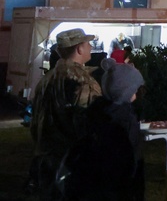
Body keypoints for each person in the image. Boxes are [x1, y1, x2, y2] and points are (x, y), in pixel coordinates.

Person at [30, 28, 103, 201]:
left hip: (45, 155)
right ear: (79, 49)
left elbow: (36, 116)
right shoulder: (82, 80)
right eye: (88, 44)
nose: (91, 47)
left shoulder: (46, 79)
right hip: (70, 159)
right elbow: (89, 119)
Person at [61, 59, 147, 201]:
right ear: (127, 91)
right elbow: (134, 158)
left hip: (92, 186)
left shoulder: (95, 112)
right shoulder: (126, 119)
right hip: (118, 186)